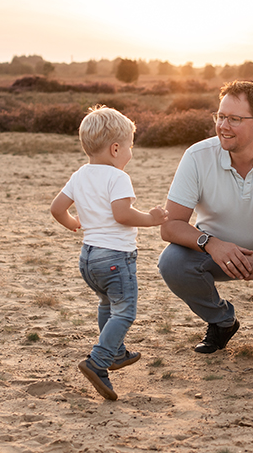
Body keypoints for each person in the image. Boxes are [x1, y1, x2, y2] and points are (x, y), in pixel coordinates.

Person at [158, 80, 253, 354]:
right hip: (213, 253)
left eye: (234, 119)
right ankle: (221, 322)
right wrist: (212, 244)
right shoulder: (196, 156)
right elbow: (170, 226)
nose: (223, 126)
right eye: (220, 116)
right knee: (172, 262)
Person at [50, 105, 168, 401]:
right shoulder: (118, 177)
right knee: (125, 311)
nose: (130, 153)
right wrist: (151, 219)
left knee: (107, 303)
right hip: (115, 258)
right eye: (130, 146)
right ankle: (99, 360)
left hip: (88, 258)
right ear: (115, 149)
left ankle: (115, 352)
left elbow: (57, 208)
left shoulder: (80, 175)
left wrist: (74, 224)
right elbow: (122, 214)